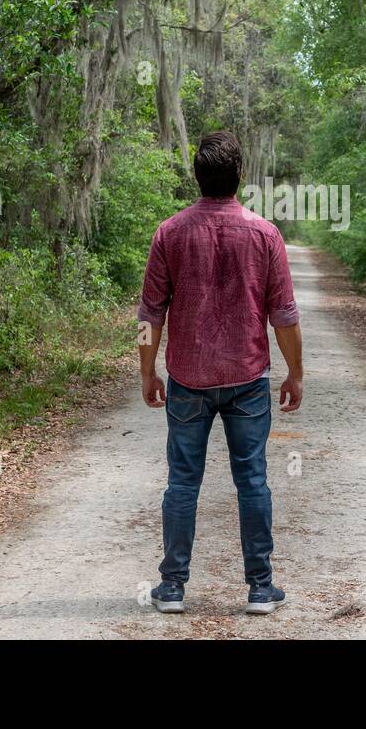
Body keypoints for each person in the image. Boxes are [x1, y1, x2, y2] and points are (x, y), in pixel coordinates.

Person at [136, 130, 304, 615]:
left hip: (188, 378)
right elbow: (285, 315)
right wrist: (295, 373)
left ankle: (172, 588)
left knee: (182, 482)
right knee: (252, 480)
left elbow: (150, 314)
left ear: (197, 176)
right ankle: (259, 588)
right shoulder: (265, 234)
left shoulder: (170, 233)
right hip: (247, 379)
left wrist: (147, 373)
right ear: (240, 177)